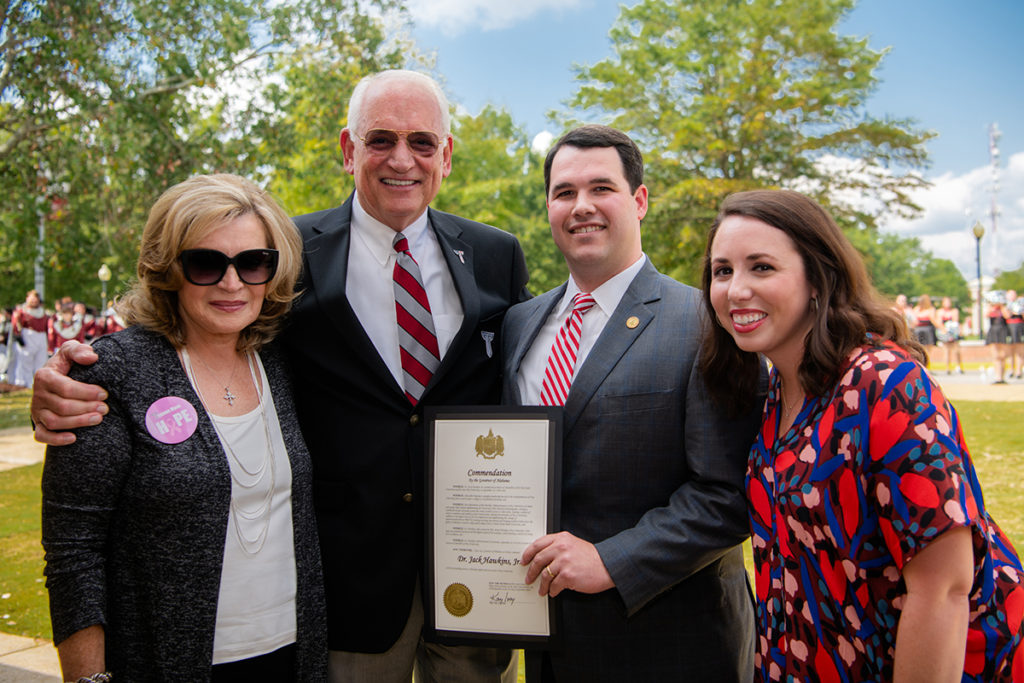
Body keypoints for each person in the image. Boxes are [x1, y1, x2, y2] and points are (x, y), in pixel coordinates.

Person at [32, 70, 529, 683]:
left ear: (446, 155)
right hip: (348, 583)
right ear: (348, 149)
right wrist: (68, 383)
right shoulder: (281, 253)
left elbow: (522, 372)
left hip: (473, 571)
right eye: (381, 140)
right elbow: (191, 337)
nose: (403, 159)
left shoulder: (495, 254)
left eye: (423, 142)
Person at [701, 189, 1023, 682]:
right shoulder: (774, 396)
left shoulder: (884, 384)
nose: (736, 289)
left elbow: (944, 589)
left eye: (761, 267)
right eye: (722, 271)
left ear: (817, 278)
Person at [41, 174, 327, 681]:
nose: (233, 283)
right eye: (206, 263)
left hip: (293, 654)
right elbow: (73, 552)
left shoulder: (283, 363)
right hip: (165, 662)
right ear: (168, 269)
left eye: (253, 262)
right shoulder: (111, 373)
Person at [502, 125, 760, 681]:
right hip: (549, 643)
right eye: (564, 192)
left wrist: (610, 561)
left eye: (602, 188)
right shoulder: (519, 325)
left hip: (671, 644)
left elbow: (728, 494)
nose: (582, 207)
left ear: (639, 201)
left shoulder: (707, 323)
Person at [10, 289, 49, 386]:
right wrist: (18, 336)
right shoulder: (21, 311)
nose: (34, 302)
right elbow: (16, 325)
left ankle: (38, 383)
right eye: (32, 300)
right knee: (25, 361)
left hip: (41, 337)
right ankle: (23, 383)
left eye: (36, 300)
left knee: (41, 361)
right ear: (27, 299)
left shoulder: (42, 312)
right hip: (28, 336)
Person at [986, 297, 1010, 384]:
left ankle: (1002, 376)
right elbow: (986, 315)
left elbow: (1007, 316)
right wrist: (991, 306)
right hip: (993, 331)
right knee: (995, 356)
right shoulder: (991, 308)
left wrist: (1001, 306)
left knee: (1003, 356)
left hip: (1003, 330)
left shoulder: (1004, 308)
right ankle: (998, 377)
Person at [937, 296, 964, 374]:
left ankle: (959, 366)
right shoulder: (940, 312)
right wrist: (944, 330)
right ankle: (947, 368)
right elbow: (939, 323)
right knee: (946, 350)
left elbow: (956, 321)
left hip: (953, 332)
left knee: (956, 350)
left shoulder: (954, 311)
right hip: (944, 333)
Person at [911, 293, 939, 363]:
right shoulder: (930, 309)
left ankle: (922, 363)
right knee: (928, 349)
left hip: (918, 330)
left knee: (920, 348)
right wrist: (940, 328)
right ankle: (926, 364)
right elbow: (933, 320)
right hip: (927, 329)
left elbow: (914, 321)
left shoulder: (916, 309)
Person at [1007, 289, 1023, 379]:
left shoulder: (1020, 303)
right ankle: (1011, 370)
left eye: (1013, 294)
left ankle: (1018, 371)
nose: (1012, 296)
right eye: (1010, 295)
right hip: (1009, 327)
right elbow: (1006, 316)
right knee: (1010, 351)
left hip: (1019, 326)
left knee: (1020, 350)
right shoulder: (1006, 305)